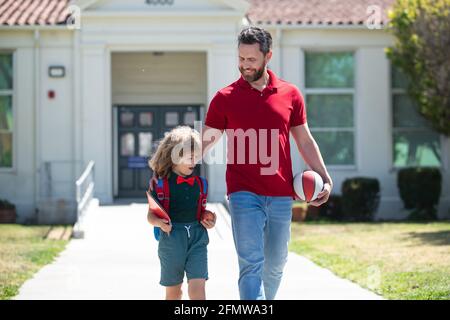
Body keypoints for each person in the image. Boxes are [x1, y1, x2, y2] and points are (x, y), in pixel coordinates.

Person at [147, 126, 216, 300]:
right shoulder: (160, 184)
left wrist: (210, 218)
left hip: (197, 238)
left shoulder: (201, 183)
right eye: (190, 157)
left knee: (198, 288)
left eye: (196, 157)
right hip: (171, 240)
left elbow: (201, 211)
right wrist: (158, 223)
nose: (194, 161)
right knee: (174, 292)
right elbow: (150, 215)